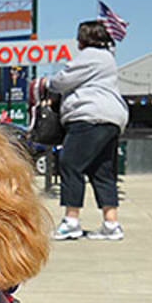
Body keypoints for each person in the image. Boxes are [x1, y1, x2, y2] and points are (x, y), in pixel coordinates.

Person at [44, 20, 129, 240]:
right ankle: (111, 223)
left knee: (70, 164)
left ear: (84, 38)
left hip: (89, 115)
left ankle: (71, 221)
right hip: (111, 118)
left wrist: (47, 83)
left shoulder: (91, 55)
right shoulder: (108, 57)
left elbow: (63, 81)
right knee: (102, 171)